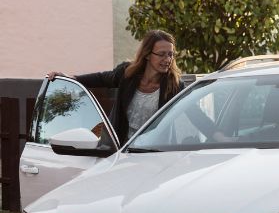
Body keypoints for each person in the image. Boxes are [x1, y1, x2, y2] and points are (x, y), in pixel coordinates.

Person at [47, 30, 184, 145]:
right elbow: (101, 78)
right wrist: (70, 78)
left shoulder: (175, 85)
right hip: (119, 149)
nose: (167, 59)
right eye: (161, 54)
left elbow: (192, 111)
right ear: (147, 55)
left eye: (170, 54)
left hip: (155, 152)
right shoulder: (127, 74)